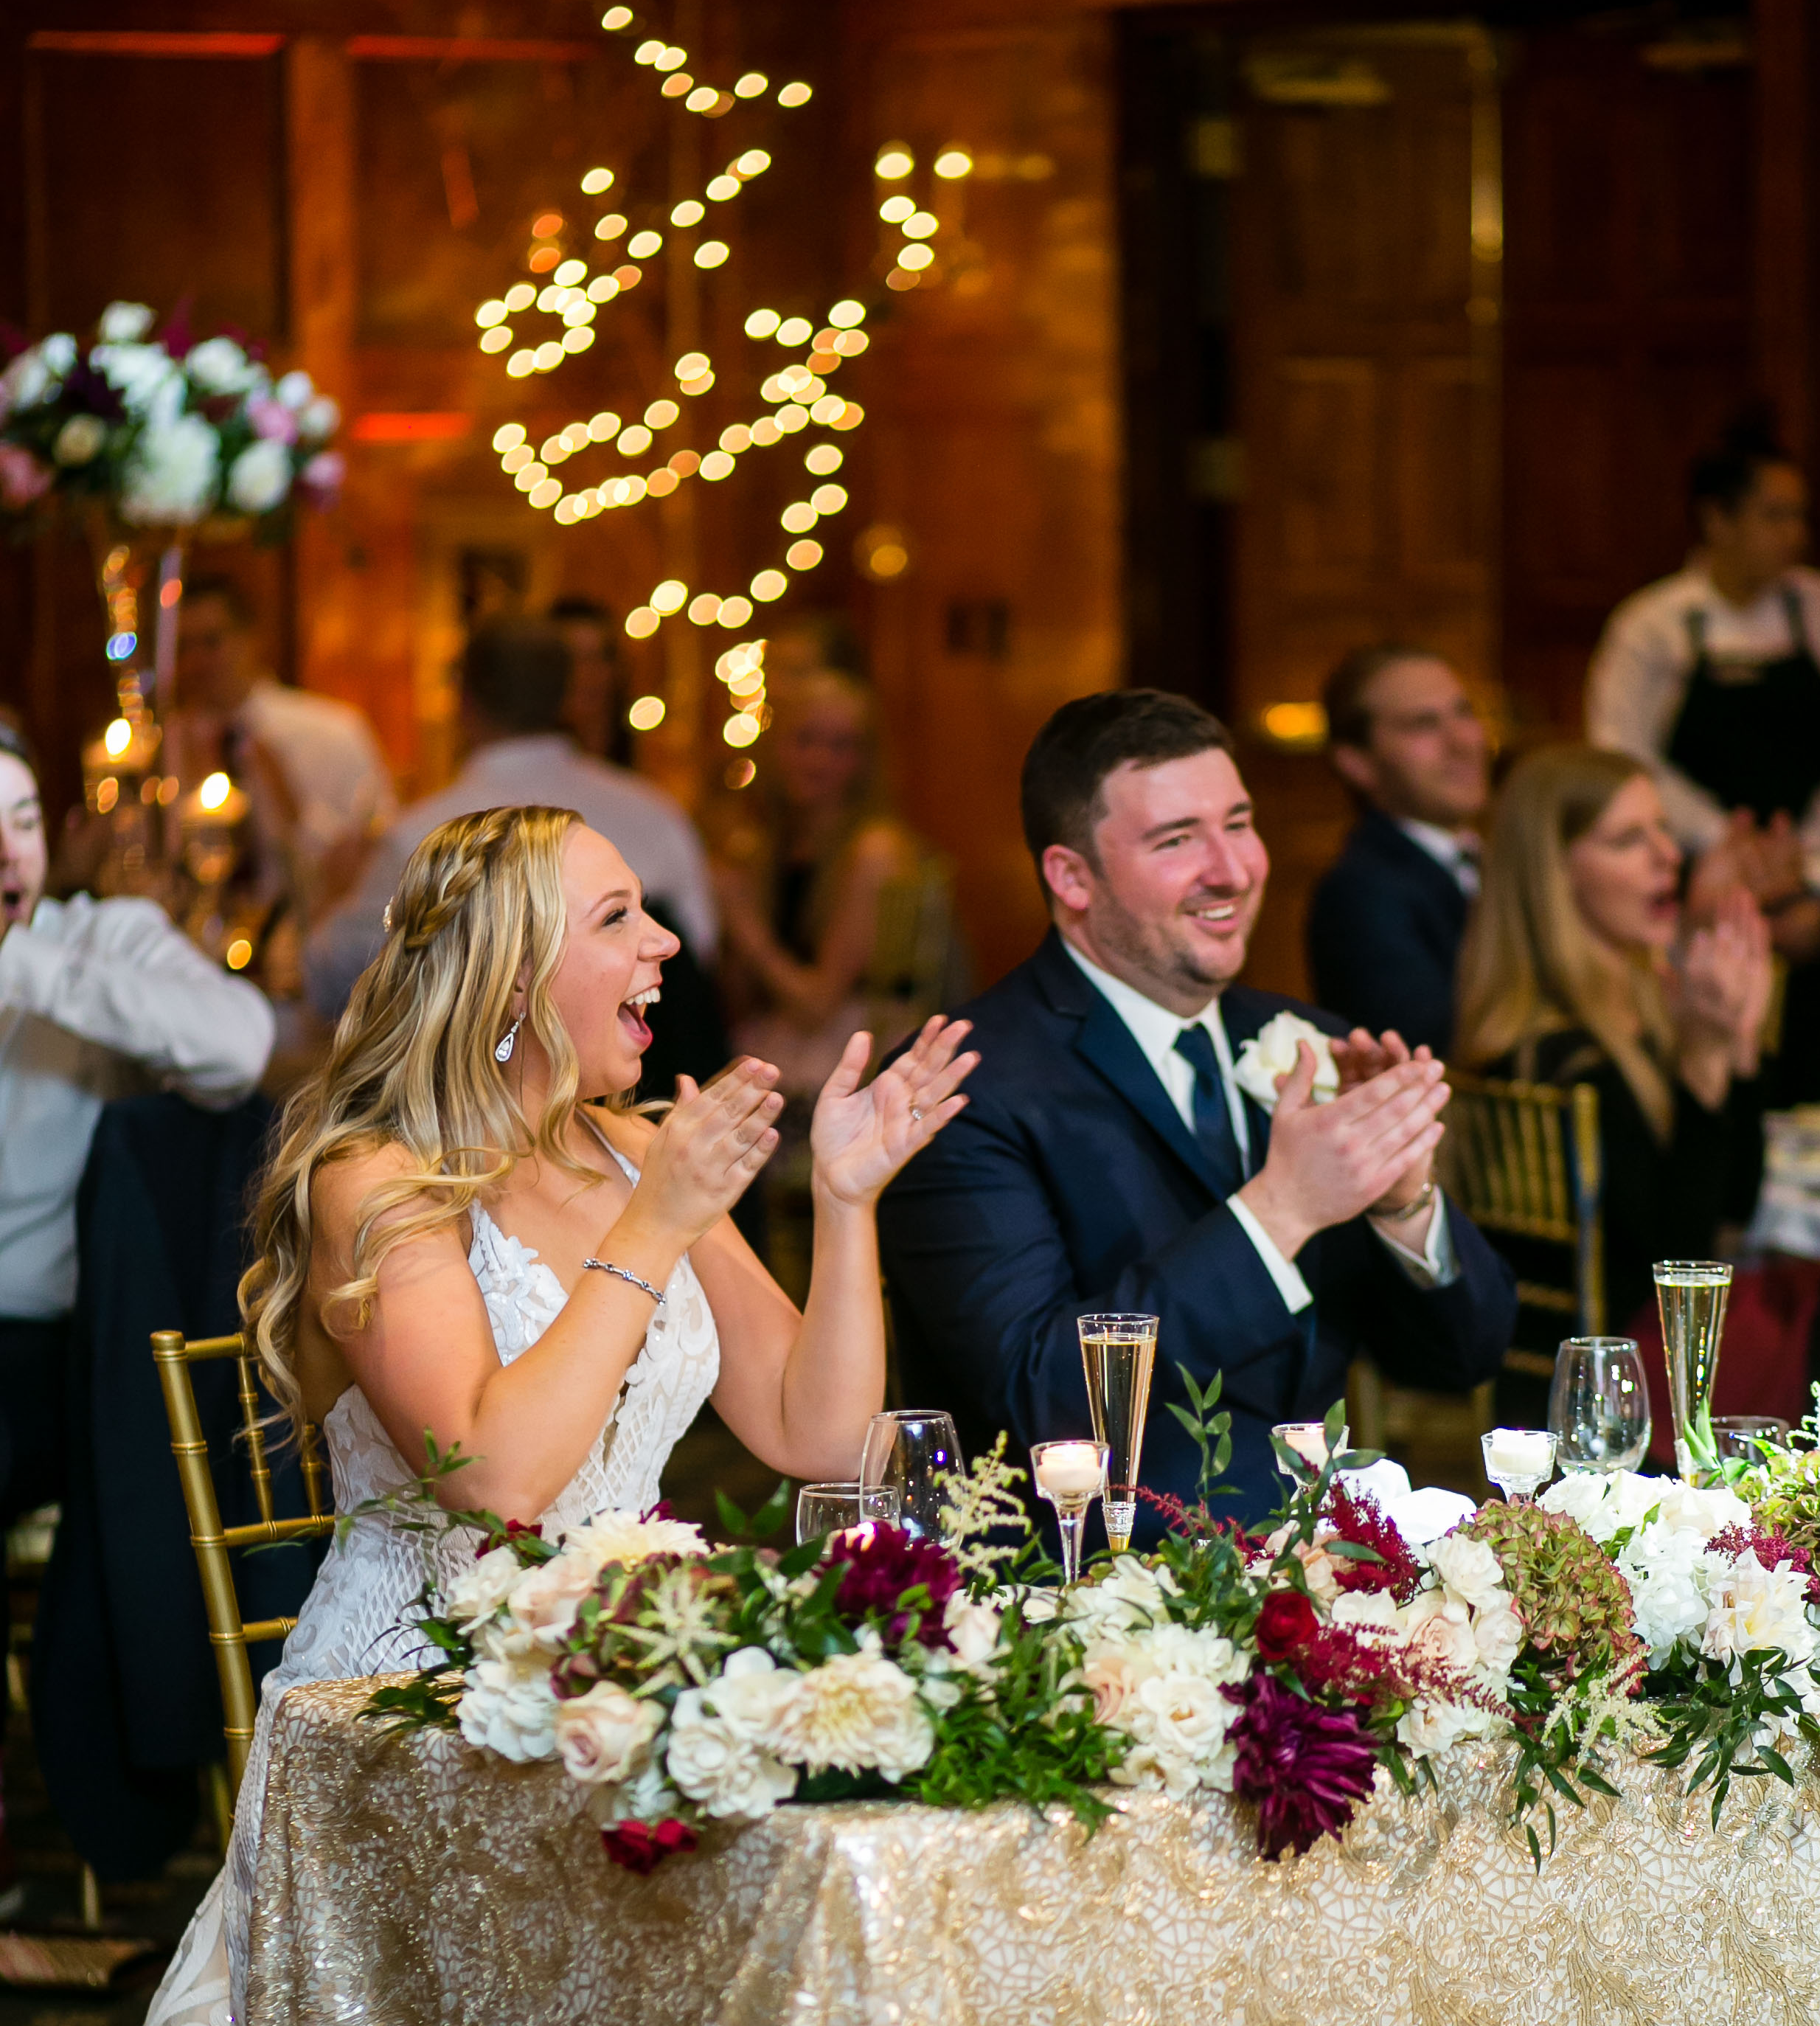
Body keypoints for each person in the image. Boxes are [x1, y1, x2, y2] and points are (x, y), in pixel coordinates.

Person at [0, 799, 975, 2026]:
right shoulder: (373, 1179)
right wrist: (660, 1218)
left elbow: (819, 1435)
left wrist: (837, 1205)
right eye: (619, 917)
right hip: (409, 1720)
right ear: (517, 972)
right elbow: (502, 1482)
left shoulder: (629, 1149)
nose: (667, 946)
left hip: (607, 1686)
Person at [878, 690, 1518, 1534]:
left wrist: (1404, 1205)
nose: (1233, 870)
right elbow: (1039, 1403)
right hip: (1084, 1593)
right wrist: (1282, 1209)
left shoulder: (1304, 1045)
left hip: (1324, 1572)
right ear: (1072, 877)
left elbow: (1459, 1359)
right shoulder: (962, 1089)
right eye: (1176, 840)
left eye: (1239, 824)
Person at [1453, 743, 1820, 1434]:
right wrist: (1707, 1062)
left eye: (1662, 829)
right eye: (1629, 840)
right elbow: (1683, 1265)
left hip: (1668, 1328)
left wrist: (1737, 1051)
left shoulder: (1636, 1008)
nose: (1667, 856)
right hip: (1624, 1360)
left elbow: (1737, 1207)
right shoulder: (1556, 1055)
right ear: (1552, 876)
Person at [0, 723, 274, 1917]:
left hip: (53, 1363)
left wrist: (21, 969)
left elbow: (239, 1046)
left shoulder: (96, 943)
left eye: (17, 818)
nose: (4, 849)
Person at [1586, 409, 1820, 1097]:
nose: (1796, 535)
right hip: (1699, 886)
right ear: (1717, 521)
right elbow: (1623, 757)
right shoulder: (1653, 626)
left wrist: (1808, 849)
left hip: (1819, 883)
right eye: (1774, 515)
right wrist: (1726, 844)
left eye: (1800, 516)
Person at [304, 616, 719, 1026]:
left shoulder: (422, 837)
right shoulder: (657, 814)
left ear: (464, 700)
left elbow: (336, 986)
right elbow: (697, 950)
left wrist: (334, 893)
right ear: (566, 696)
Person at [709, 667, 937, 1103]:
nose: (820, 761)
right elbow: (739, 1002)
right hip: (791, 1046)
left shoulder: (874, 851)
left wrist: (743, 923)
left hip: (862, 1061)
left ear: (866, 761)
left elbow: (818, 1008)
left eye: (841, 746)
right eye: (805, 741)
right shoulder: (771, 846)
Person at [170, 569, 395, 910]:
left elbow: (379, 858)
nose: (197, 662)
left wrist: (296, 816)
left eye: (212, 642)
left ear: (250, 638)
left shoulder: (333, 732)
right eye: (183, 648)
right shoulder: (165, 747)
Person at [1306, 645, 1491, 1054]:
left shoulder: (1495, 859)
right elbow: (1429, 1052)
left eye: (1465, 712)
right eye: (1423, 724)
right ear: (1356, 762)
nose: (1463, 741)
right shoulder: (1361, 892)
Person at [549, 591, 634, 766]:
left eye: (600, 657)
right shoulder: (531, 767)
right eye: (573, 658)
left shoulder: (652, 764)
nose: (587, 672)